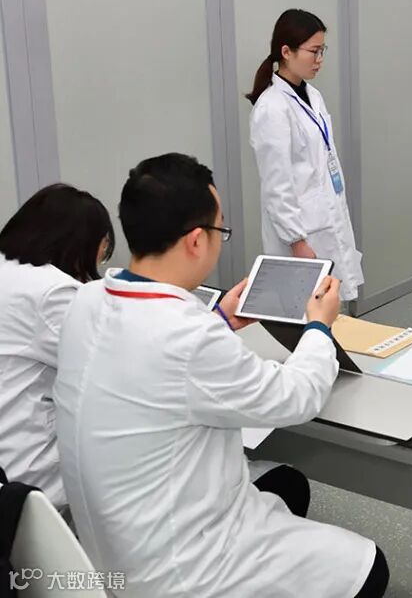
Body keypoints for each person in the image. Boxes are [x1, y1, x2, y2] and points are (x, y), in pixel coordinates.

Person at [54, 153, 388, 597]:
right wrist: (319, 327)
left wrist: (222, 319)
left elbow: (156, 364)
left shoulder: (88, 301)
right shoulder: (188, 335)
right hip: (179, 571)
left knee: (285, 485)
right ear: (196, 241)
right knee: (369, 568)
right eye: (220, 230)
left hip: (105, 550)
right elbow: (294, 397)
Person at [0, 184, 113, 511]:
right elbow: (114, 366)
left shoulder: (10, 271)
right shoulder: (52, 291)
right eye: (103, 248)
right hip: (27, 472)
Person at [247, 9, 363, 301]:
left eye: (322, 50)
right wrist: (296, 240)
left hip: (326, 216)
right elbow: (277, 186)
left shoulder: (313, 96)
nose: (319, 59)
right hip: (300, 234)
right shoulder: (272, 108)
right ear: (286, 52)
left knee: (328, 304)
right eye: (313, 51)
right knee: (304, 308)